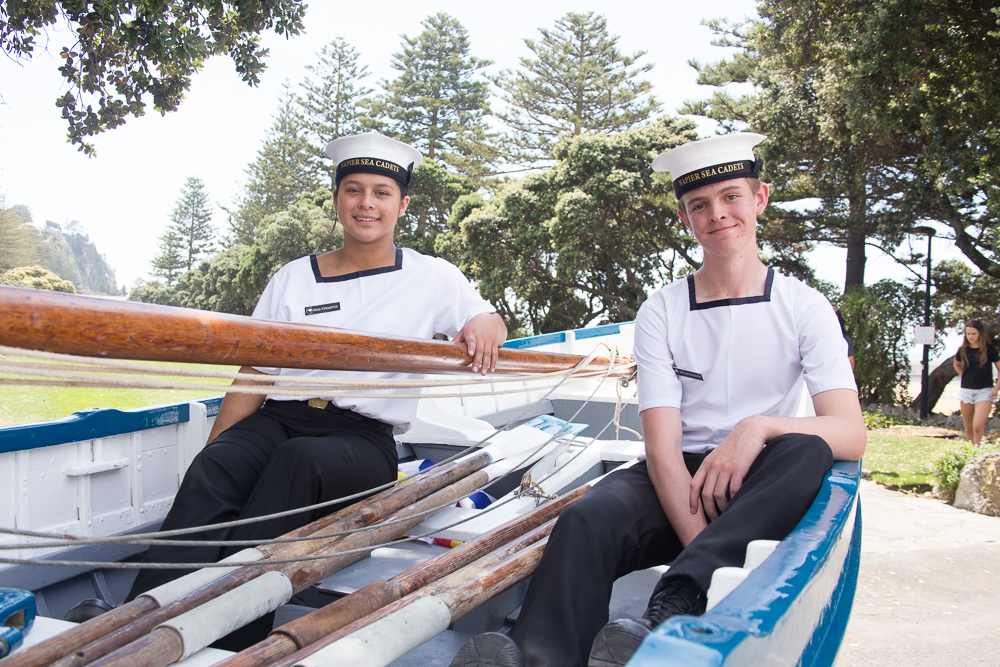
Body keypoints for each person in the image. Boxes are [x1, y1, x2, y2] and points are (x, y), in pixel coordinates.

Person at [449, 133, 866, 667]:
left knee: (807, 448)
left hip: (759, 480)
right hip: (679, 480)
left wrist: (756, 428)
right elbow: (663, 450)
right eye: (700, 205)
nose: (718, 214)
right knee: (586, 519)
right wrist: (700, 541)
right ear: (685, 219)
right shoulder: (663, 311)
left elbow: (850, 432)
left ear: (759, 199)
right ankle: (539, 656)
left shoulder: (805, 307)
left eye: (731, 197)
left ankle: (673, 606)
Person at [121, 133, 507, 648]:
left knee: (298, 463)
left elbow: (485, 319)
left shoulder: (432, 276)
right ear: (336, 200)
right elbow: (255, 372)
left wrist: (486, 323)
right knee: (216, 466)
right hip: (279, 418)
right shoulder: (293, 279)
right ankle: (136, 625)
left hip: (361, 439)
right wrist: (222, 447)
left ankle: (229, 640)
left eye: (381, 192)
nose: (366, 203)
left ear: (402, 204)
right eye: (353, 190)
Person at [952, 319, 1000, 446]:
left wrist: (997, 388)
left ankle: (977, 449)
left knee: (978, 426)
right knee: (968, 427)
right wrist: (965, 375)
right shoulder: (963, 349)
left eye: (974, 334)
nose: (971, 337)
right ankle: (970, 452)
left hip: (984, 391)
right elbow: (956, 364)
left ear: (980, 333)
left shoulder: (989, 349)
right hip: (966, 391)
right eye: (968, 334)